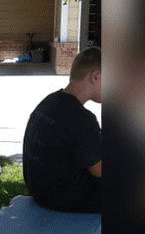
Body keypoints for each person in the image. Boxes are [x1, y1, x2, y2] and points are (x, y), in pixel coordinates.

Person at [22, 46, 102, 213]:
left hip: (40, 190)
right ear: (96, 76)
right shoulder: (82, 118)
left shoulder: (51, 102)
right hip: (64, 197)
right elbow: (99, 170)